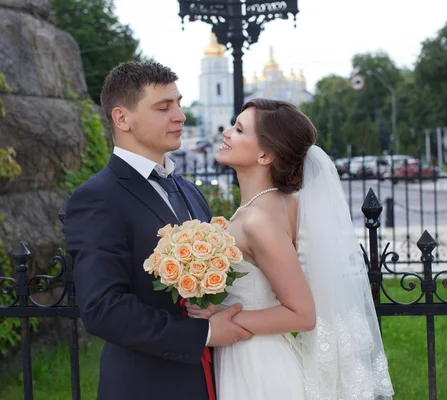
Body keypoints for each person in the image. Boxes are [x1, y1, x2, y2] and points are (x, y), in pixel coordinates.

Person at [63, 61, 252, 400]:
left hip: (217, 380)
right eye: (164, 107)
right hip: (148, 385)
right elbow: (102, 308)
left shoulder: (189, 190)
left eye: (178, 104)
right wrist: (204, 333)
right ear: (122, 119)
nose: (179, 116)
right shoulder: (96, 198)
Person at [185, 98, 394, 399]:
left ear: (266, 154)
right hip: (255, 351)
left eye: (239, 130)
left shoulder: (259, 219)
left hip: (256, 364)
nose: (226, 133)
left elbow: (302, 314)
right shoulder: (281, 203)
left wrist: (225, 318)